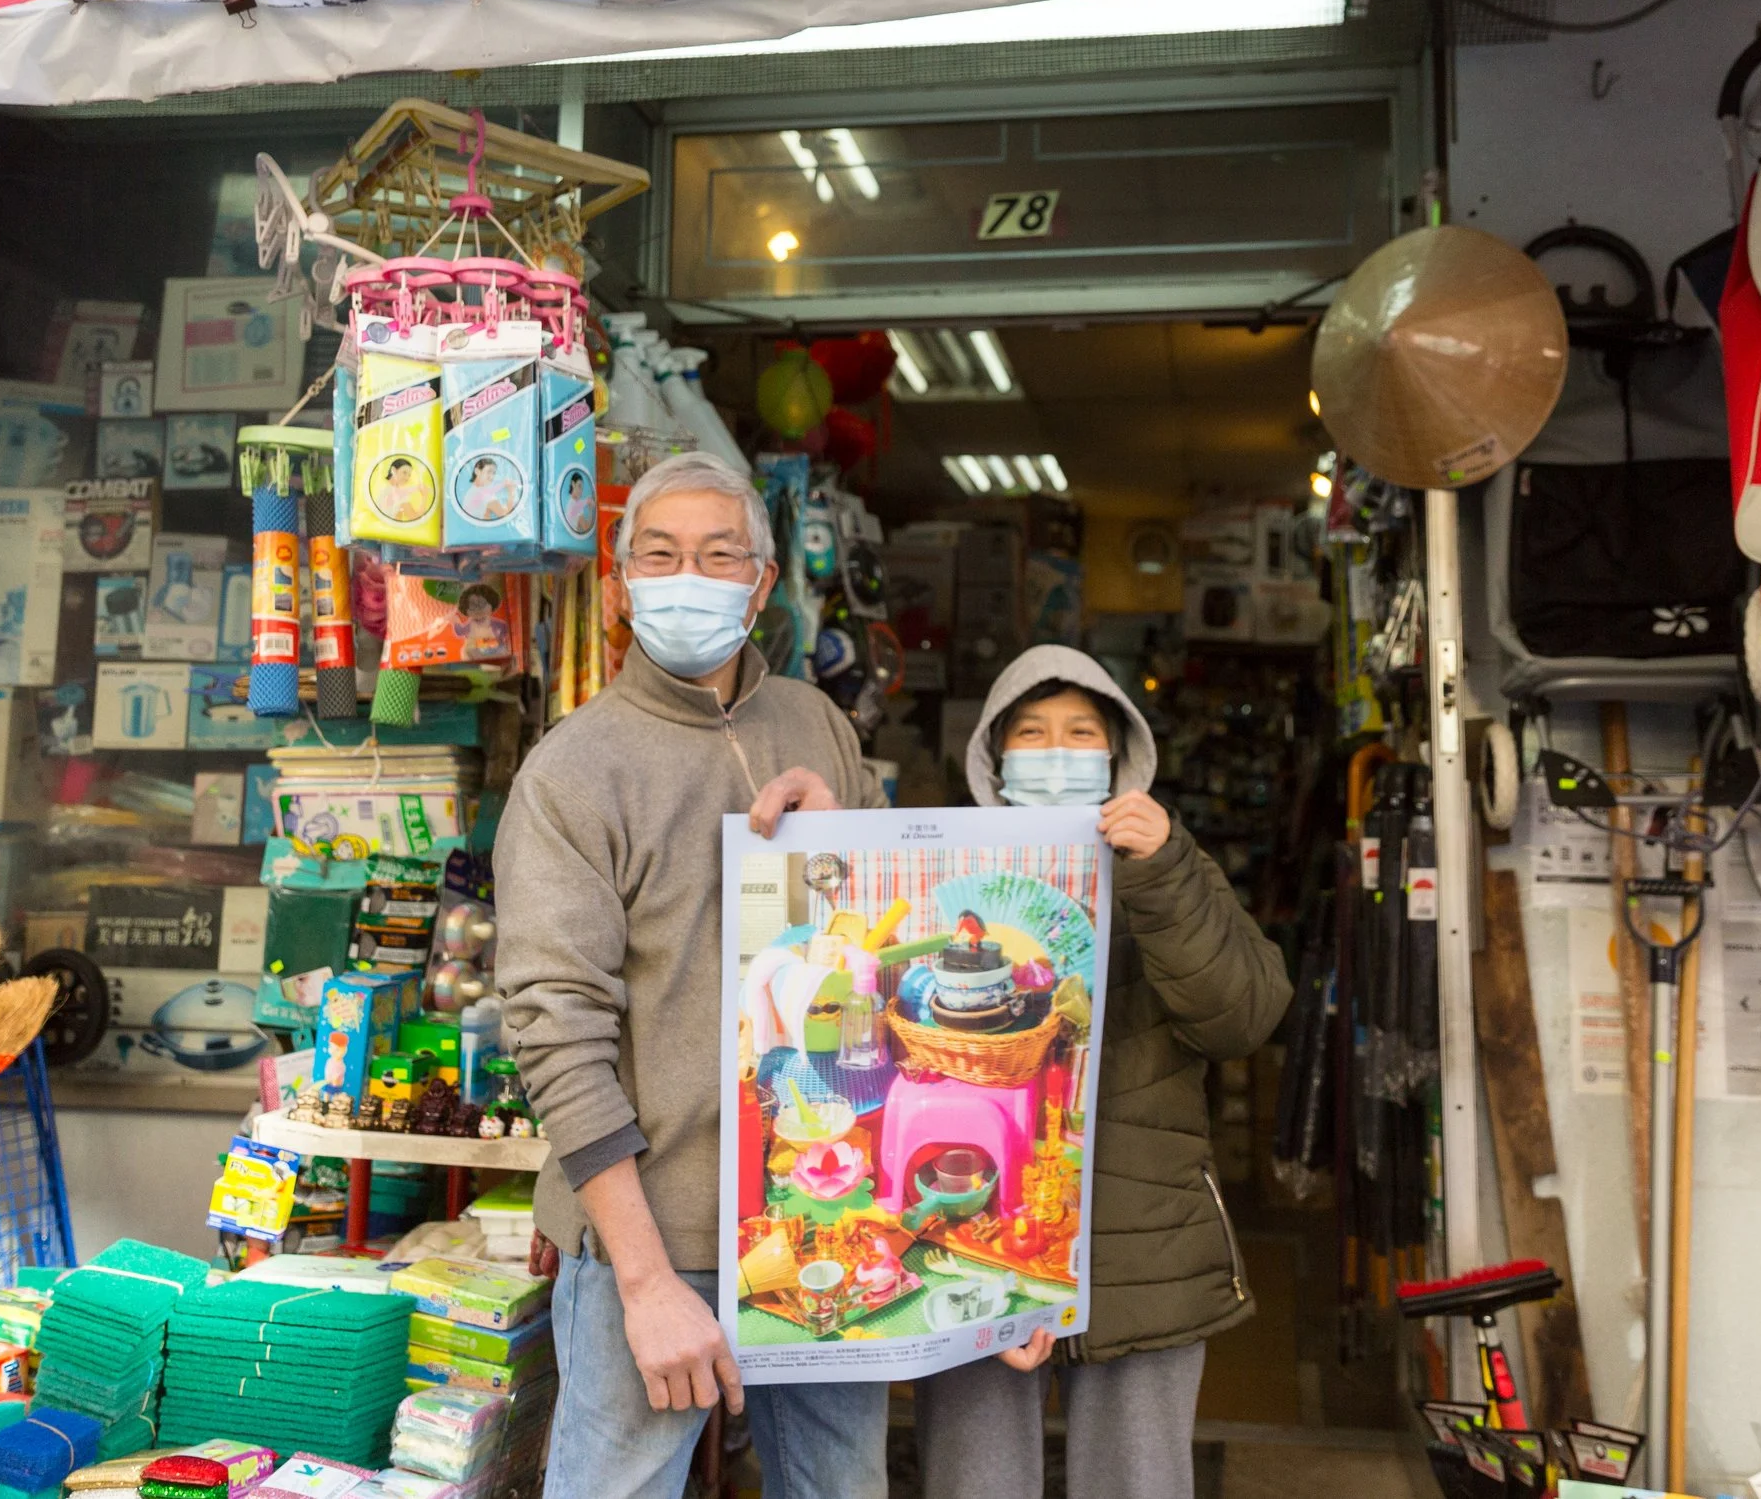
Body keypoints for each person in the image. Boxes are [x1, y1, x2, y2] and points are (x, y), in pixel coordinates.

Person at [497, 451, 891, 1499]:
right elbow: (555, 1032)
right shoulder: (574, 769)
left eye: (719, 555)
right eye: (660, 554)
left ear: (760, 585)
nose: (690, 575)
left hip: (827, 1213)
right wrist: (641, 1276)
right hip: (660, 1235)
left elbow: (884, 948)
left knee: (843, 1485)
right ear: (620, 586)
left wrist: (856, 839)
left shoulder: (817, 723)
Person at [914, 643, 1292, 1499]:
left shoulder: (1170, 864)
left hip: (1145, 1252)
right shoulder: (951, 877)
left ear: (1119, 758)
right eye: (1032, 733)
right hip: (984, 1240)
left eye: (1080, 733)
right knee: (973, 1483)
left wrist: (1161, 871)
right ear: (995, 758)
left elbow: (1243, 1016)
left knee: (1139, 1483)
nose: (1055, 752)